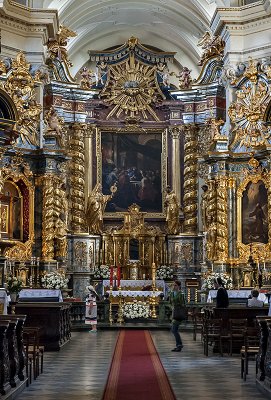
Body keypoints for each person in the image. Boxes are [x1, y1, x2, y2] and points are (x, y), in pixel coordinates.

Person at [169, 280, 186, 352]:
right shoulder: (171, 293)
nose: (174, 286)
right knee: (174, 330)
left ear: (179, 286)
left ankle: (179, 345)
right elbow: (170, 302)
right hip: (173, 313)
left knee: (174, 329)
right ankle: (179, 345)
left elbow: (183, 304)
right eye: (173, 285)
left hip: (178, 313)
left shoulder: (181, 294)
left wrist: (178, 307)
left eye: (175, 285)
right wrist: (172, 307)